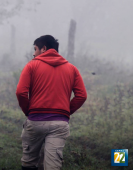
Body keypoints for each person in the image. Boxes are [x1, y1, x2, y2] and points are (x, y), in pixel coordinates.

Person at [16, 35, 87, 170]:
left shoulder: (31, 65)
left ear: (43, 49)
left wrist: (28, 111)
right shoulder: (72, 69)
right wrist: (65, 111)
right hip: (59, 124)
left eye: (35, 49)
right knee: (53, 165)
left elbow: (20, 92)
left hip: (35, 121)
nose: (33, 53)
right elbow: (82, 96)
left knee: (29, 162)